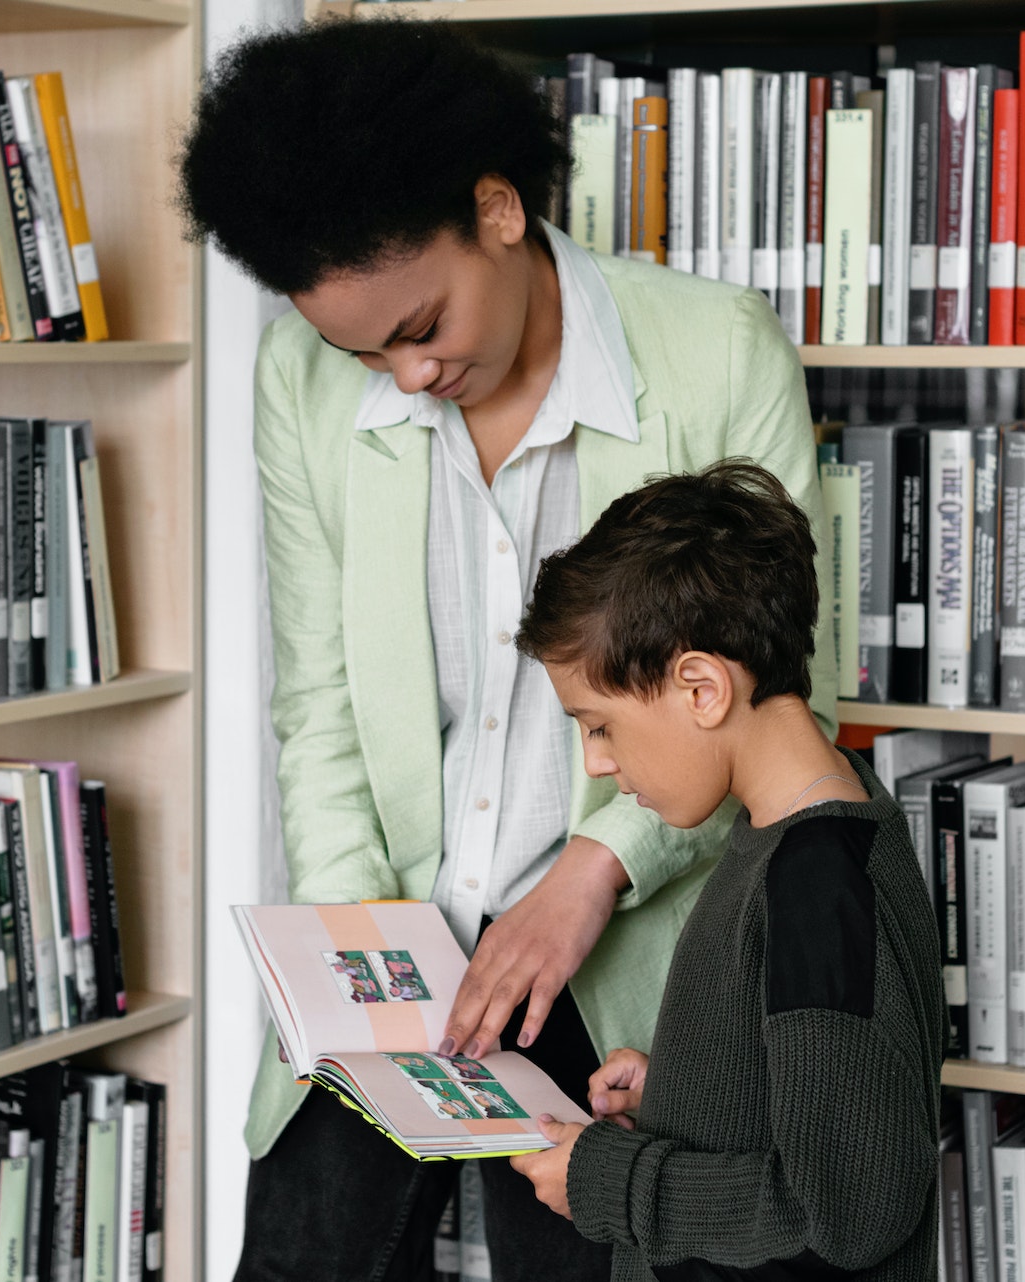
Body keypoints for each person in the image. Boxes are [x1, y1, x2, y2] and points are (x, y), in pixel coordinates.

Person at [177, 17, 836, 1282]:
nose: (407, 373)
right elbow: (314, 700)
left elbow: (779, 700)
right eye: (360, 348)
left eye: (421, 324)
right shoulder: (302, 385)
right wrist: (355, 933)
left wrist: (596, 868)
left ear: (497, 210)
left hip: (629, 961)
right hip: (392, 958)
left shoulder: (713, 353)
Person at [507, 463, 945, 1282]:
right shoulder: (803, 831)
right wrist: (683, 1095)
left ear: (701, 688)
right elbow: (824, 1093)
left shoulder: (818, 889)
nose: (596, 764)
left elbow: (843, 1215)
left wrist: (611, 1181)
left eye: (599, 726)